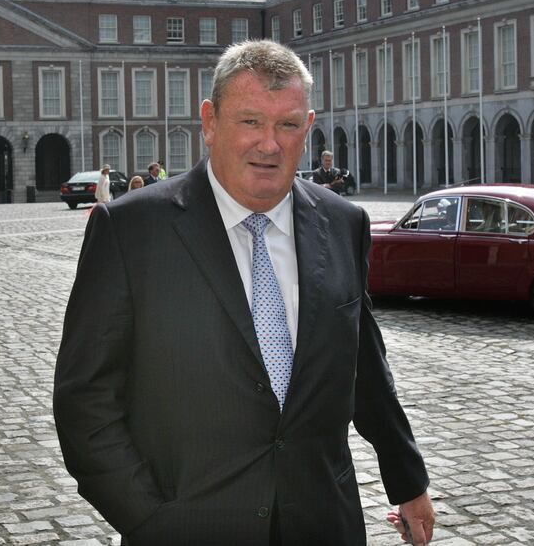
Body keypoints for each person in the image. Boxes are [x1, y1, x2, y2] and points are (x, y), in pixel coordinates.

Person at [53, 40, 434, 546]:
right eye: (250, 122)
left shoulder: (344, 223)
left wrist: (407, 479)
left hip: (323, 525)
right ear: (210, 122)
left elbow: (362, 363)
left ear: (309, 126)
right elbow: (85, 401)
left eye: (288, 124)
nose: (269, 144)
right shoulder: (130, 230)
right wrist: (149, 520)